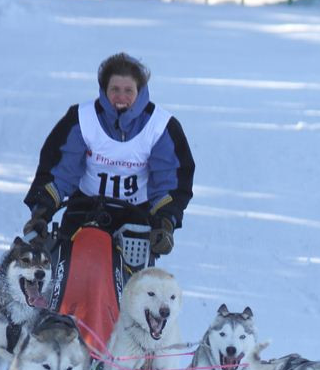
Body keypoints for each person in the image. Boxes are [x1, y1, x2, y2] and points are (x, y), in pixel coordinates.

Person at [23, 52, 195, 258]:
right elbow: (60, 172)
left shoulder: (160, 127)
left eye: (128, 90)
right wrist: (42, 212)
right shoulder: (82, 119)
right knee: (67, 273)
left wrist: (165, 221)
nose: (121, 97)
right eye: (115, 89)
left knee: (132, 286)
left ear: (139, 92)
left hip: (136, 216)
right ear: (104, 90)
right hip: (85, 210)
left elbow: (171, 181)